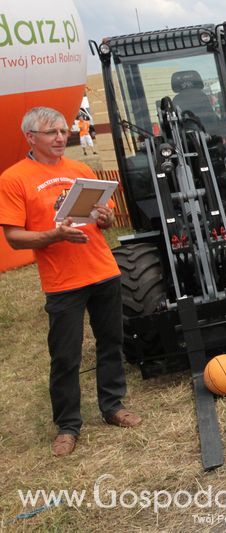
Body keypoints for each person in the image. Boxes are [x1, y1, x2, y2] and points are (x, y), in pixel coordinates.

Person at [0, 107, 142, 457]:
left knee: (111, 342)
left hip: (103, 270)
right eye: (52, 132)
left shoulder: (81, 170)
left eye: (64, 131)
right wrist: (54, 235)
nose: (61, 137)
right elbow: (15, 238)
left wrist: (107, 217)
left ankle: (112, 406)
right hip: (63, 282)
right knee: (65, 356)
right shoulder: (14, 178)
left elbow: (100, 222)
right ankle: (68, 425)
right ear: (30, 137)